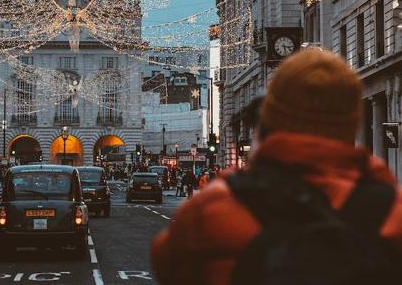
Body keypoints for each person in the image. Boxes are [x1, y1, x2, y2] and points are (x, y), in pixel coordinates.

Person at [151, 49, 402, 285]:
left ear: (269, 121)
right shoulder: (392, 210)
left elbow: (166, 262)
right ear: (350, 124)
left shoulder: (216, 206)